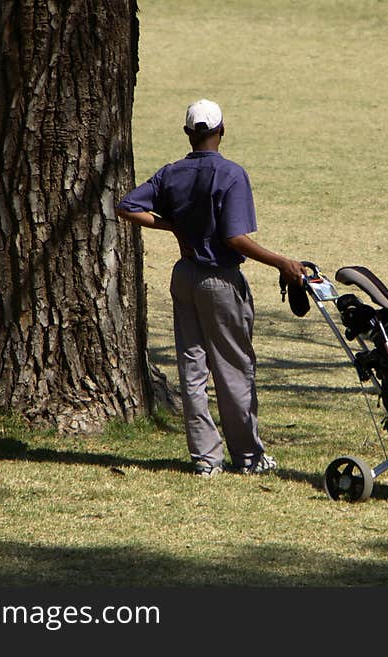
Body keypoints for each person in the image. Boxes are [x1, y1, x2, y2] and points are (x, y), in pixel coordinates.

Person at [116, 99, 308, 477]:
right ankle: (249, 458)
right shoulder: (232, 174)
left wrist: (174, 226)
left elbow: (126, 206)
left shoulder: (172, 174)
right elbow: (234, 238)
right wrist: (283, 263)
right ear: (222, 130)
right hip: (220, 280)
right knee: (234, 368)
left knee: (193, 368)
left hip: (184, 277)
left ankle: (206, 459)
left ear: (188, 134)